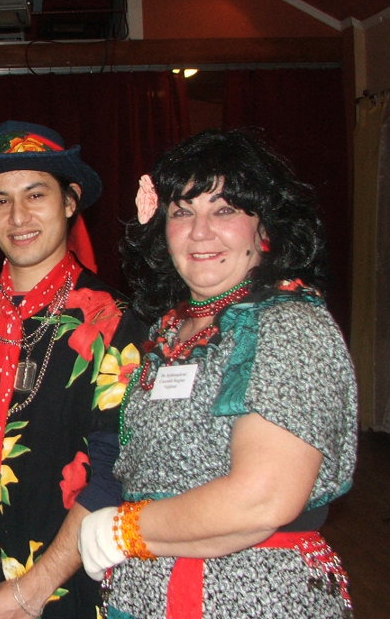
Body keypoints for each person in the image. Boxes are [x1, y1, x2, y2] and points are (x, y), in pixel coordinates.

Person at [77, 128, 356, 618]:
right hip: (147, 595)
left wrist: (121, 529)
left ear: (264, 225)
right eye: (182, 211)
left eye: (224, 210)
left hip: (253, 598)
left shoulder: (290, 326)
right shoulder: (167, 328)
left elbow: (262, 499)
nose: (200, 231)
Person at [0, 119, 148, 619]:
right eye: (1, 200)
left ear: (70, 201)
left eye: (36, 194)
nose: (18, 216)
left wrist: (34, 589)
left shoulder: (118, 324)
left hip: (68, 587)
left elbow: (117, 467)